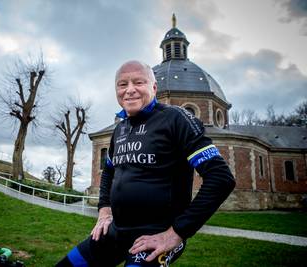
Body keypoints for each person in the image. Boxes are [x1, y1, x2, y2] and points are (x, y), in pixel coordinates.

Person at [56, 60, 236, 267]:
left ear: (154, 87)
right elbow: (108, 172)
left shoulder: (176, 119)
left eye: (138, 82)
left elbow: (221, 178)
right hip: (116, 232)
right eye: (122, 85)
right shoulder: (120, 129)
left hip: (157, 236)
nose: (130, 90)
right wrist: (104, 211)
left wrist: (176, 233)